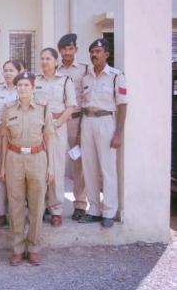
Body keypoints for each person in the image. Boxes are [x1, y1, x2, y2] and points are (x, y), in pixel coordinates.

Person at [0, 72, 55, 266]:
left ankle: (33, 247)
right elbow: (5, 138)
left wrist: (51, 166)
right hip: (14, 159)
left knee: (37, 205)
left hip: (37, 158)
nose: (22, 88)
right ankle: (17, 248)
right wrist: (3, 166)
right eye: (19, 85)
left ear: (33, 87)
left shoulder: (43, 108)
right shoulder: (8, 109)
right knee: (15, 206)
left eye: (26, 85)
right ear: (16, 88)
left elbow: (49, 137)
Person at [78, 38, 127, 228]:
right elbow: (83, 105)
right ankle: (94, 210)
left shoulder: (116, 76)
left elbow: (123, 106)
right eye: (92, 51)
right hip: (87, 122)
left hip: (107, 122)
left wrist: (118, 134)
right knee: (89, 168)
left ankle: (108, 211)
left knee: (108, 169)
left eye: (98, 51)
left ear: (106, 54)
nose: (94, 54)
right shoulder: (87, 77)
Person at [34, 48, 77, 227]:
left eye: (48, 59)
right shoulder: (35, 80)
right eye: (42, 59)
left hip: (58, 128)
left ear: (55, 61)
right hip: (38, 129)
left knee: (57, 167)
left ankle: (56, 209)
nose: (44, 62)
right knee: (40, 167)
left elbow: (71, 106)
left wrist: (57, 123)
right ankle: (41, 206)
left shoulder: (65, 81)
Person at [57, 33, 89, 220]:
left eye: (71, 49)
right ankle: (54, 205)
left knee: (78, 164)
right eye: (64, 49)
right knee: (56, 163)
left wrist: (83, 123)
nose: (67, 52)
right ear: (60, 51)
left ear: (76, 50)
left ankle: (80, 204)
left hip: (77, 121)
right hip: (59, 122)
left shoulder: (84, 70)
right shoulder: (55, 69)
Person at [0, 60, 22, 228]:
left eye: (11, 70)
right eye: (6, 70)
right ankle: (1, 212)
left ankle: (15, 213)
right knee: (0, 176)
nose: (8, 73)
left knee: (17, 176)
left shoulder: (23, 90)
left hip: (18, 137)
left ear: (18, 71)